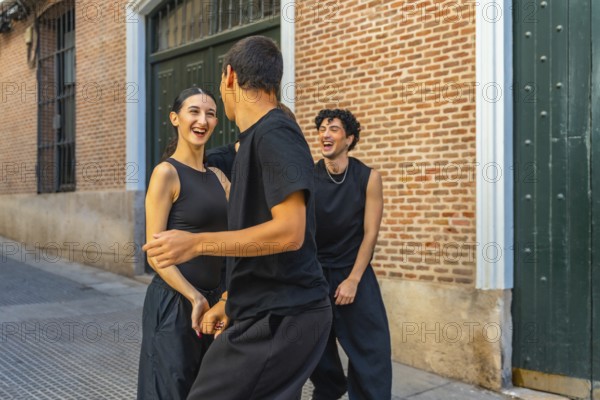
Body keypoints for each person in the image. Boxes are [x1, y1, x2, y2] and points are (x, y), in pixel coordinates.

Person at [143, 35, 332, 400]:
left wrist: (195, 241)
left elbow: (290, 233)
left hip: (281, 318)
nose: (204, 119)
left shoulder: (275, 132)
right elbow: (266, 248)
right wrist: (230, 302)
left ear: (229, 77)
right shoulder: (253, 141)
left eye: (210, 108)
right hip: (261, 313)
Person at [137, 87, 230, 400]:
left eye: (210, 113)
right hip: (174, 304)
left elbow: (235, 239)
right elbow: (154, 254)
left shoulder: (219, 177)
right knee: (169, 391)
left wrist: (221, 299)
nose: (202, 119)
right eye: (194, 111)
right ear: (175, 118)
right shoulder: (166, 173)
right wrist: (193, 297)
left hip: (214, 305)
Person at [309, 109, 392, 400]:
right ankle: (330, 387)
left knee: (373, 350)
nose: (325, 134)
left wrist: (354, 279)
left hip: (353, 271)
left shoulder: (368, 178)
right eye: (321, 128)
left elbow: (370, 233)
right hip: (315, 273)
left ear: (349, 138)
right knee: (312, 348)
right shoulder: (307, 178)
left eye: (333, 129)